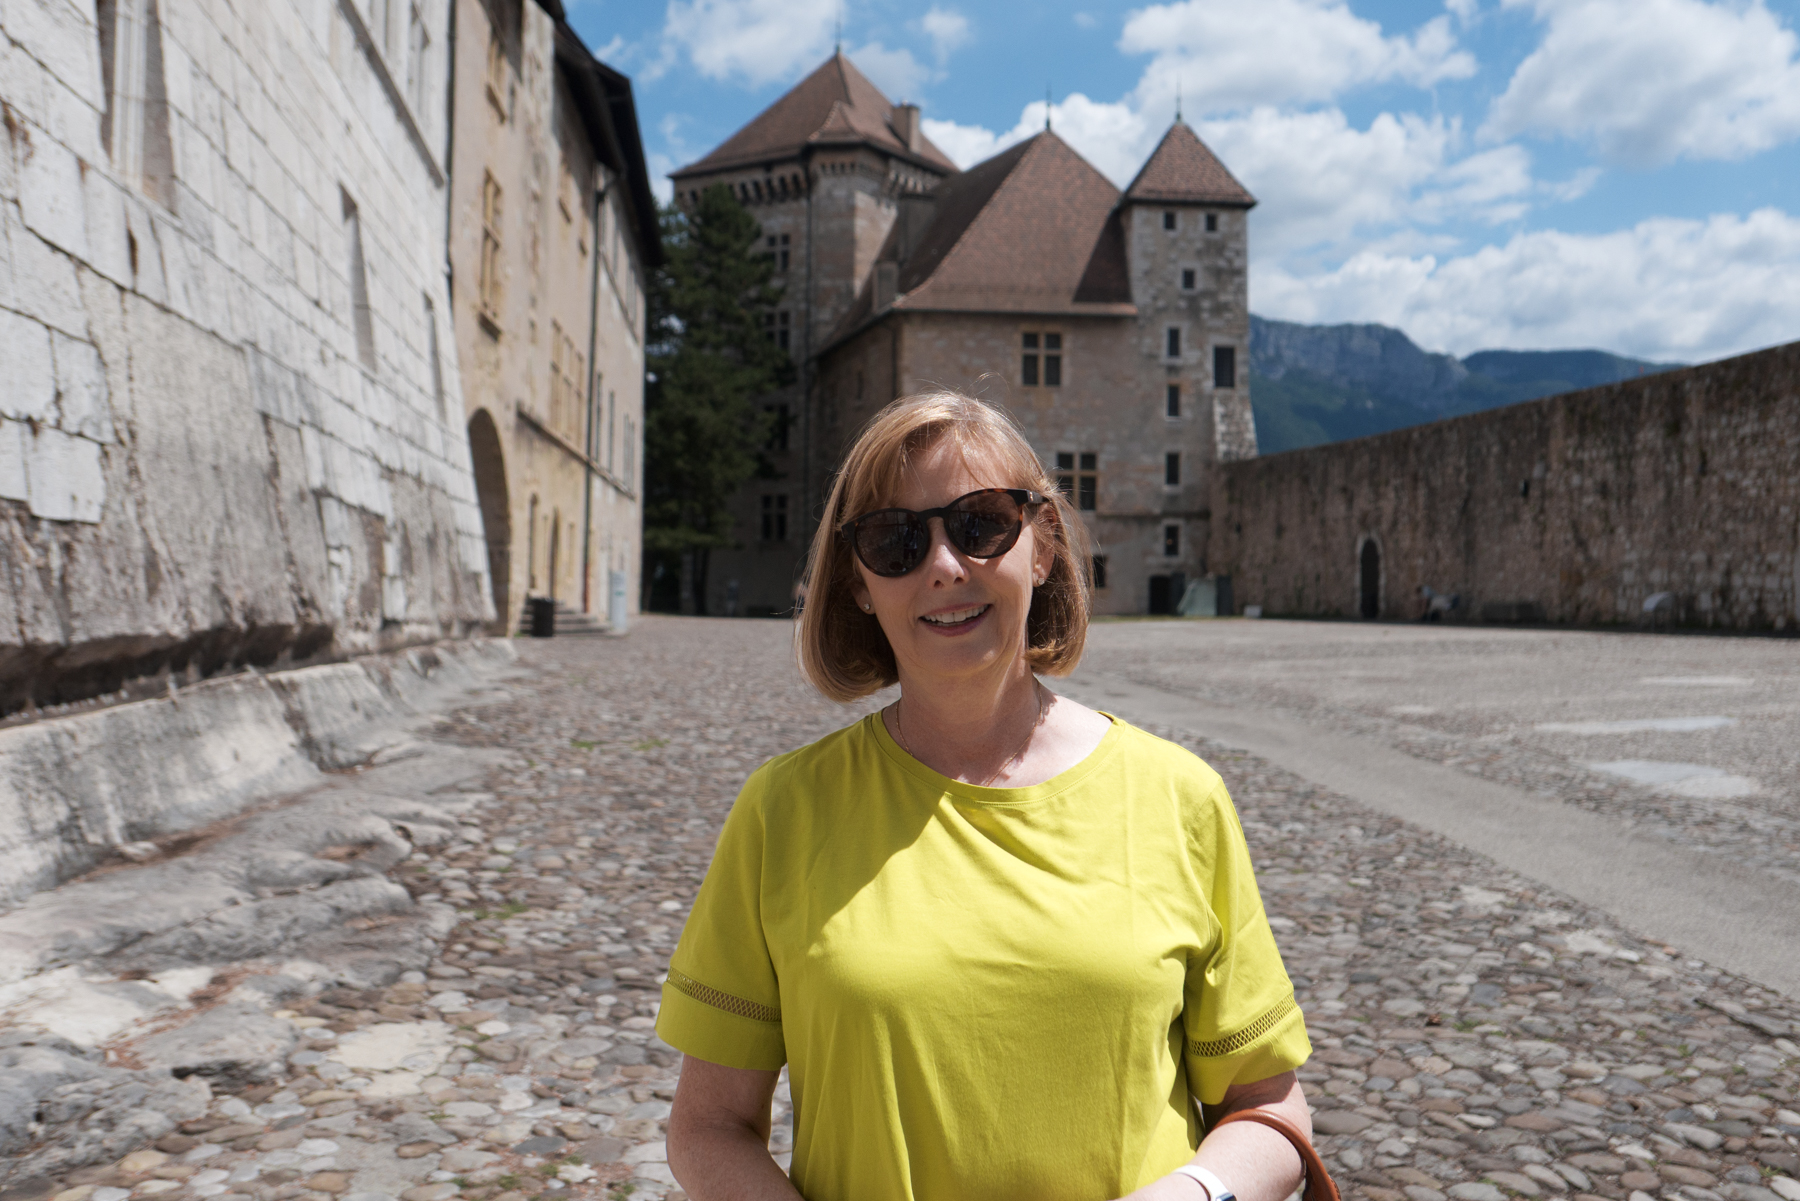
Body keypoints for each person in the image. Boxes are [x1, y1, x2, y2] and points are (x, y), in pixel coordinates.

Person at [658, 392, 1315, 1201]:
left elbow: (1268, 1105)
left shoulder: (1180, 796)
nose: (942, 565)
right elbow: (707, 1125)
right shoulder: (783, 810)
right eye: (895, 540)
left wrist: (1190, 1195)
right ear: (860, 582)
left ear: (1041, 545)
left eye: (980, 524)